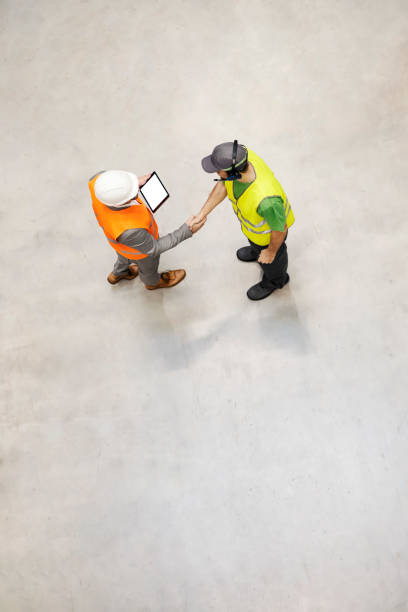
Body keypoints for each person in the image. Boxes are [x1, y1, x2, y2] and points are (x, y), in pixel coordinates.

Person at [194, 141, 295, 300]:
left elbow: (280, 229)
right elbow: (223, 184)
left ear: (232, 172)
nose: (217, 173)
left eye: (218, 170)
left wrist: (270, 251)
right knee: (256, 245)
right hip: (255, 235)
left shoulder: (266, 200)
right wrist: (202, 214)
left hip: (270, 239)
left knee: (274, 263)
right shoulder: (242, 157)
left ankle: (275, 281)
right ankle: (256, 252)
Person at [88, 170, 206, 289]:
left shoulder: (97, 184)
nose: (136, 191)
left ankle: (117, 274)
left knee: (123, 258)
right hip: (141, 253)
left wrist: (132, 183)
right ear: (120, 203)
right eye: (132, 193)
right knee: (148, 269)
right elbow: (154, 248)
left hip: (120, 246)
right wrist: (186, 230)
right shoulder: (130, 230)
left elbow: (111, 183)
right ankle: (152, 283)